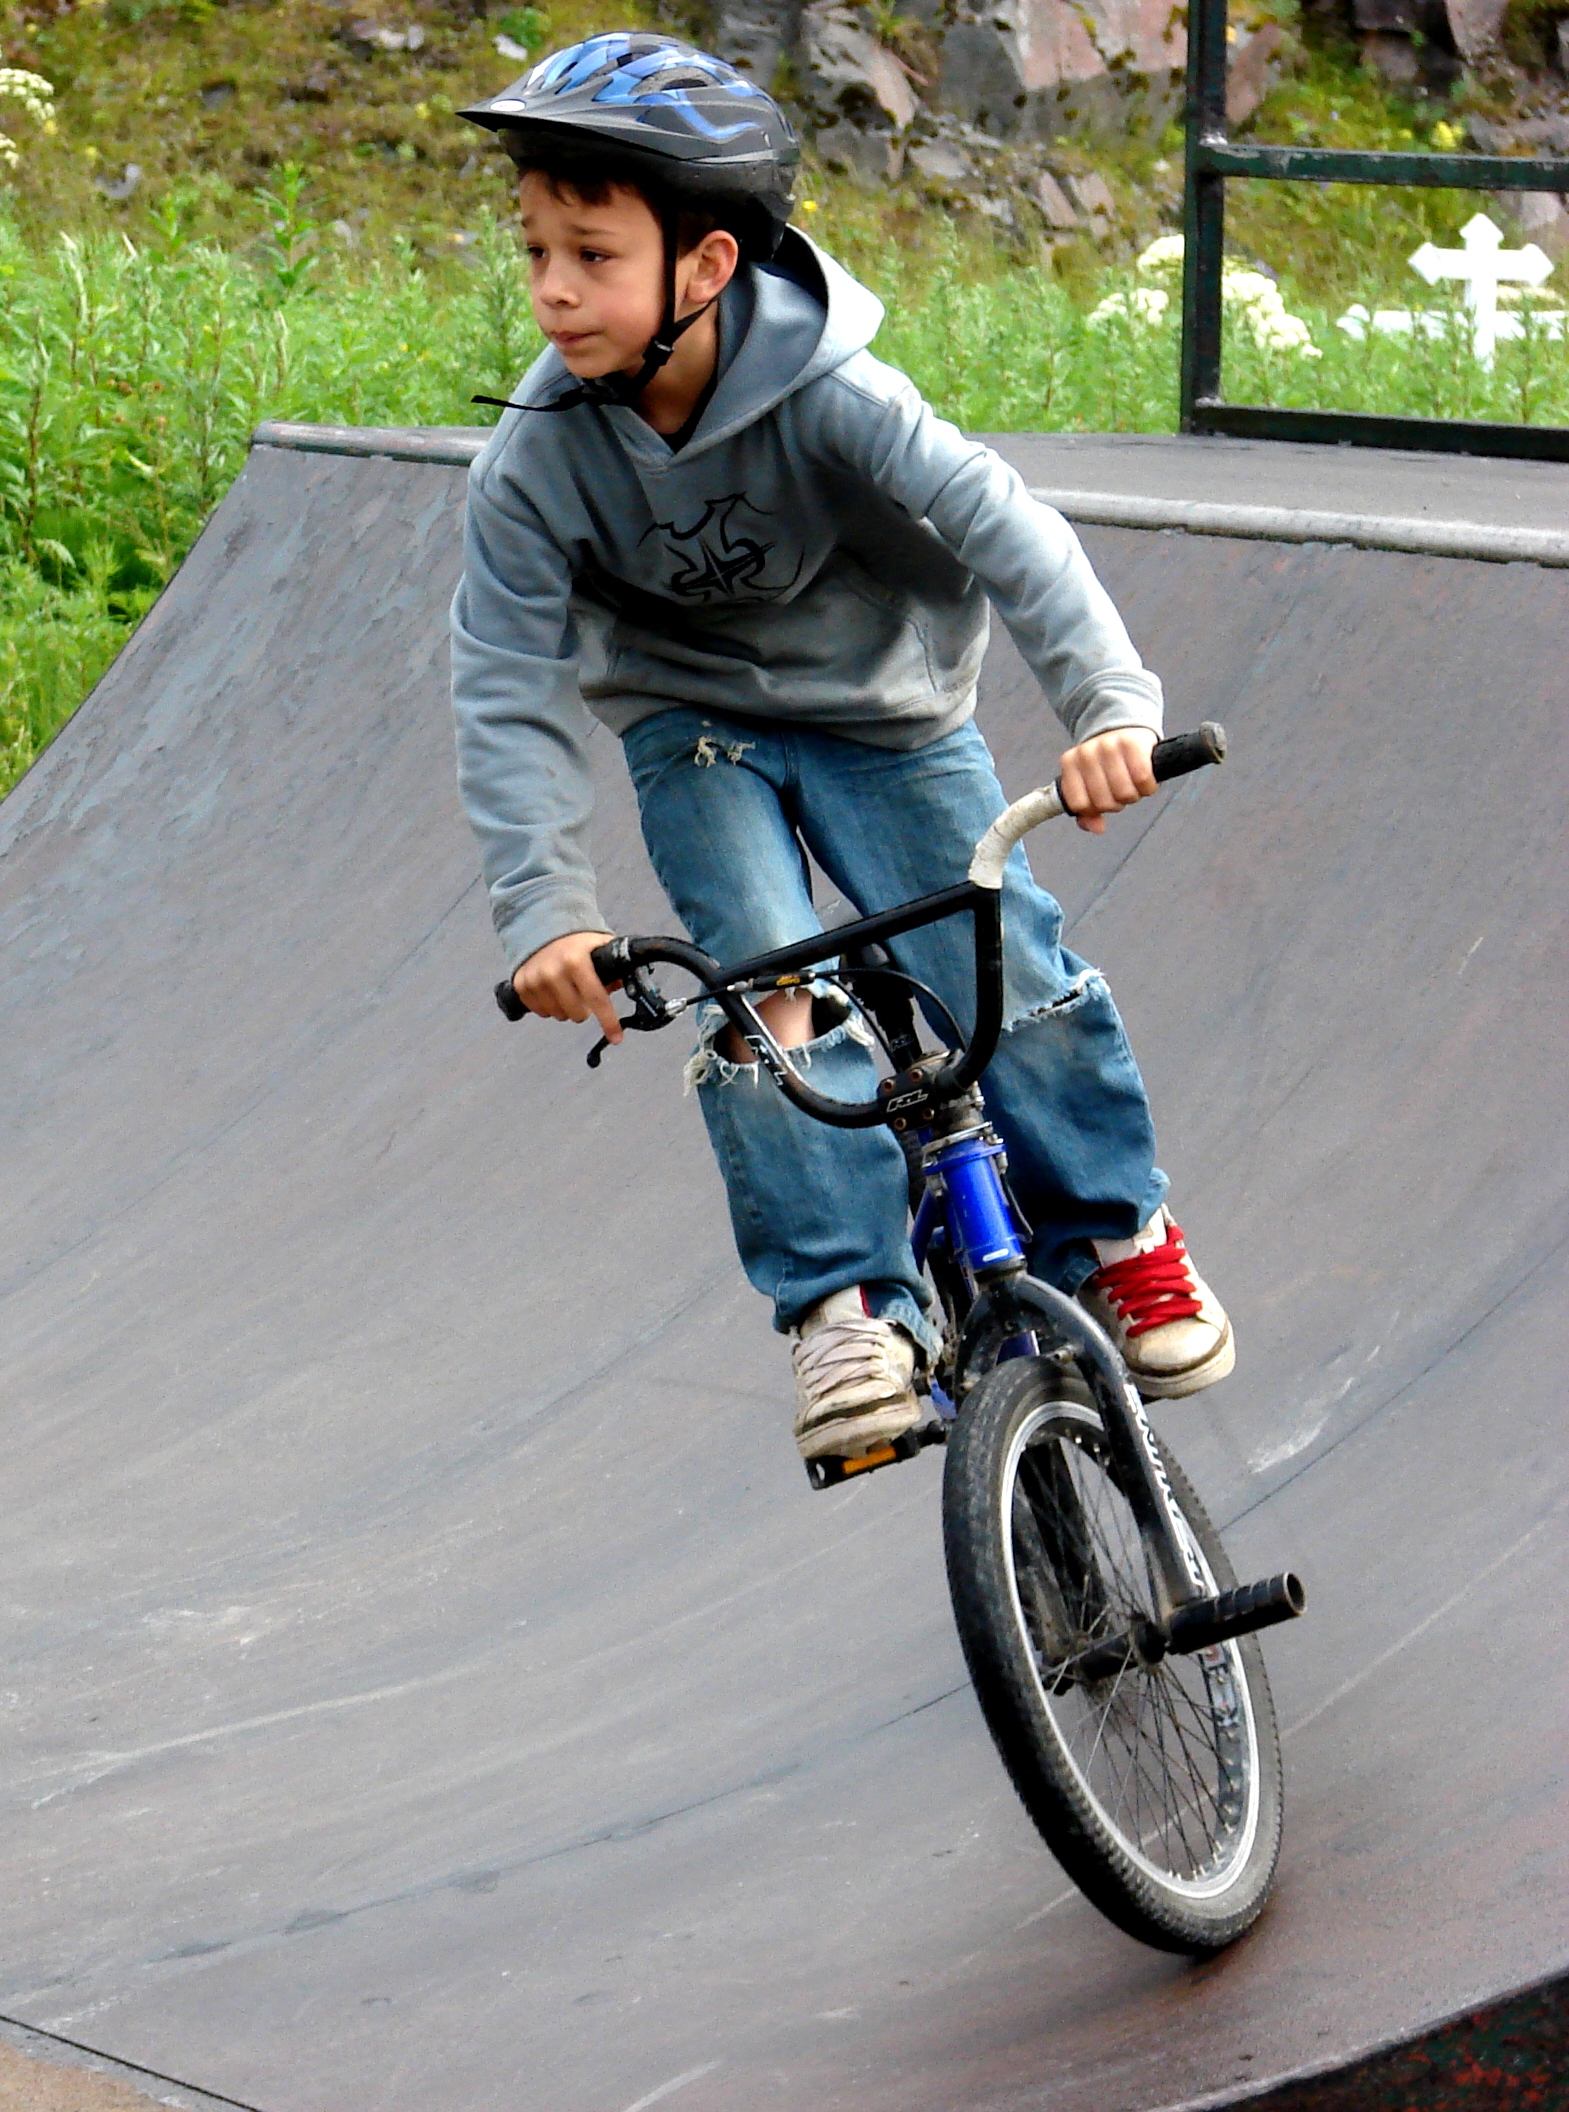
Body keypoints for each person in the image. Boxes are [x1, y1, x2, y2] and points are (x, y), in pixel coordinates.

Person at [449, 34, 1232, 1466]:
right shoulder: (539, 460)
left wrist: (1108, 707)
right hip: (697, 739)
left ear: (706, 264)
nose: (554, 291)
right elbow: (503, 682)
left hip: (887, 712)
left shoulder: (835, 391)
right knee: (761, 986)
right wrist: (546, 913)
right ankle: (849, 1309)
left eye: (592, 255)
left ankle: (1121, 1229)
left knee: (999, 962)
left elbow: (1005, 526)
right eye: (536, 251)